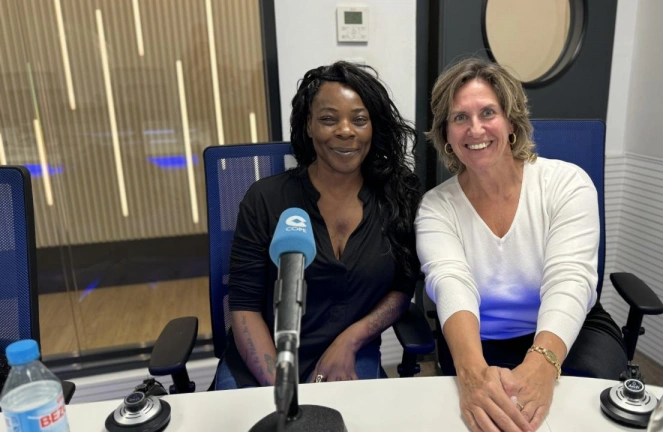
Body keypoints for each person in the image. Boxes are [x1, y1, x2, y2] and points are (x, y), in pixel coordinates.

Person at [416, 58, 627, 432]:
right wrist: (473, 371)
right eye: (460, 118)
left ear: (511, 122)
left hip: (569, 330)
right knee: (483, 418)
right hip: (479, 338)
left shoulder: (567, 184)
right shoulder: (436, 207)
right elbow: (450, 283)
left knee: (581, 416)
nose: (475, 128)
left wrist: (541, 364)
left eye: (488, 113)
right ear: (446, 134)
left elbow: (570, 280)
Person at [215, 61, 421, 389]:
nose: (345, 131)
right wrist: (281, 386)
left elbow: (401, 289)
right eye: (328, 119)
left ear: (373, 127)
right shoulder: (264, 198)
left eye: (359, 119)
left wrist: (350, 341)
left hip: (349, 352)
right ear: (308, 126)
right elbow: (244, 307)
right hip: (264, 360)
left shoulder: (399, 196)